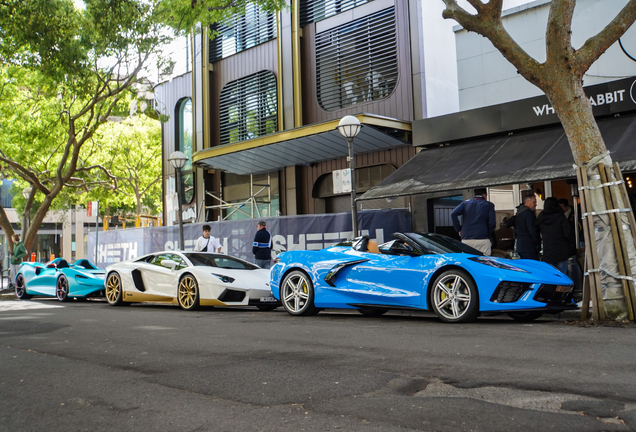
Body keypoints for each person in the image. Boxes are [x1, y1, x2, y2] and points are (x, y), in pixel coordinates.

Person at [451, 188, 496, 255]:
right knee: (484, 262)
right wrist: (488, 233)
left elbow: (453, 214)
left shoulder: (465, 203)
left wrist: (458, 229)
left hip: (466, 239)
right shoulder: (489, 205)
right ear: (484, 195)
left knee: (468, 262)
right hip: (483, 238)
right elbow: (492, 223)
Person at [537, 197, 572, 274]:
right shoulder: (561, 216)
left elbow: (537, 231)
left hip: (548, 250)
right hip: (561, 249)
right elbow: (567, 233)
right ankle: (562, 286)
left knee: (551, 275)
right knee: (562, 276)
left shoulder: (541, 217)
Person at [512, 194, 541, 260]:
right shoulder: (528, 214)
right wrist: (537, 244)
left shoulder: (519, 213)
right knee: (533, 267)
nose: (535, 204)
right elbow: (532, 230)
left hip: (521, 246)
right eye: (534, 202)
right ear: (527, 202)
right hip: (529, 247)